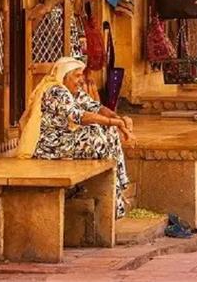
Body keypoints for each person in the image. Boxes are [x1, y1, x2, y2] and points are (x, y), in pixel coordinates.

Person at [15, 57, 133, 218]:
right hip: (48, 145)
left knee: (109, 132)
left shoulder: (73, 91)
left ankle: (119, 187)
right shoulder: (55, 91)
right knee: (97, 136)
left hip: (65, 139)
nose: (81, 80)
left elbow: (96, 107)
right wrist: (114, 122)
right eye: (77, 76)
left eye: (81, 75)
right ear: (65, 76)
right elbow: (78, 116)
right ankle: (115, 196)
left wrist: (117, 119)